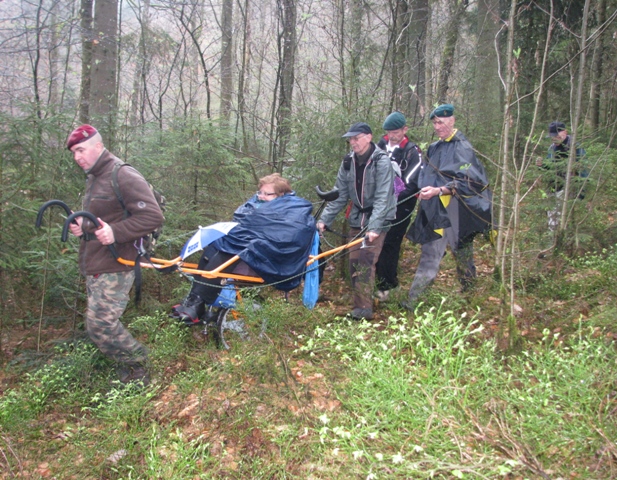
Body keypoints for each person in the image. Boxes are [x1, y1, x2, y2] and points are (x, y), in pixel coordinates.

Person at [67, 124, 164, 386]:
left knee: (100, 325)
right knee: (100, 323)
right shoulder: (95, 176)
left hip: (118, 262)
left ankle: (139, 370)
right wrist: (83, 226)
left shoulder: (122, 174)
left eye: (81, 150)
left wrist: (116, 232)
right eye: (74, 152)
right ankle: (130, 369)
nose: (77, 157)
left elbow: (153, 216)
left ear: (98, 146)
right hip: (98, 261)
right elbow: (105, 216)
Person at [171, 174, 316, 323]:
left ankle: (198, 303)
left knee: (230, 250)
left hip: (269, 260)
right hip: (251, 253)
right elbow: (247, 228)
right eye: (260, 192)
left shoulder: (293, 210)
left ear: (282, 195)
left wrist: (252, 242)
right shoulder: (257, 206)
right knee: (216, 244)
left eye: (267, 194)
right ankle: (194, 301)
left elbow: (284, 237)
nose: (261, 197)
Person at [404, 104, 492, 308]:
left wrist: (440, 190)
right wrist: (422, 190)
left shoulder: (462, 147)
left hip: (457, 210)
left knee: (462, 251)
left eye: (441, 122)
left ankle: (470, 297)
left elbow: (470, 181)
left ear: (452, 121)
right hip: (436, 209)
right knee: (430, 252)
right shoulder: (434, 147)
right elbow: (426, 174)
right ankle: (413, 300)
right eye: (435, 123)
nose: (437, 127)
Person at [317, 122, 396, 320]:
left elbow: (383, 197)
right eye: (350, 139)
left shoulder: (381, 162)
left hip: (378, 219)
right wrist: (324, 220)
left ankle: (363, 310)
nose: (353, 142)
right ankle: (363, 303)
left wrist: (375, 227)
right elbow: (340, 195)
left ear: (368, 137)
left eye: (356, 138)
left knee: (365, 262)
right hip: (356, 219)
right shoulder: (348, 162)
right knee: (353, 264)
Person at [374, 112, 422, 302]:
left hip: (401, 206)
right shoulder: (380, 146)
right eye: (389, 132)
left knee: (390, 243)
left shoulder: (412, 151)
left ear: (404, 130)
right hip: (379, 204)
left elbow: (411, 183)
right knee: (375, 241)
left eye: (395, 132)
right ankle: (374, 281)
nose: (391, 136)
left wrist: (393, 199)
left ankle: (387, 285)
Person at [536, 121, 587, 230]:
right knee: (552, 213)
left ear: (565, 132)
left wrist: (581, 191)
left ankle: (558, 237)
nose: (554, 139)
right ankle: (553, 238)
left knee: (559, 215)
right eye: (552, 136)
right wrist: (542, 165)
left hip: (568, 187)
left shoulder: (575, 148)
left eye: (557, 136)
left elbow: (583, 169)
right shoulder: (552, 148)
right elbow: (550, 166)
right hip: (553, 187)